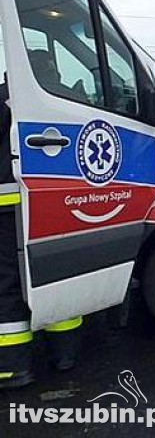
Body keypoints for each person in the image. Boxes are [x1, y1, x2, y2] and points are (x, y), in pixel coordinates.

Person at [0, 75, 82, 389]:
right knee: (56, 272)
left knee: (8, 281)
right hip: (51, 196)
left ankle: (12, 367)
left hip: (7, 203)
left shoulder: (6, 98)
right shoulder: (57, 97)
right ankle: (65, 355)